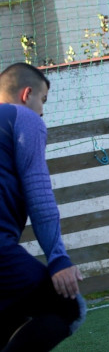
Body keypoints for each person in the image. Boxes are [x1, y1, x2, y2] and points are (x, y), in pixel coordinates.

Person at [0, 63, 86, 350]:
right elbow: (38, 193)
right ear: (27, 95)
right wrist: (58, 259)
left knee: (11, 318)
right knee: (69, 308)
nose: (42, 112)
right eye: (43, 101)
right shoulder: (24, 117)